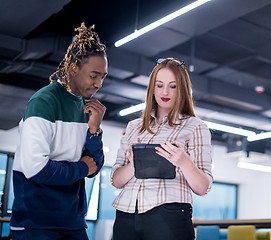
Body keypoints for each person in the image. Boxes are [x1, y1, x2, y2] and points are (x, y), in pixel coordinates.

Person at [10, 23, 107, 240]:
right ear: (74, 68)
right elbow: (36, 168)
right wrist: (81, 167)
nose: (99, 83)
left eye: (103, 76)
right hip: (36, 224)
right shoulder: (44, 101)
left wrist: (94, 130)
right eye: (94, 75)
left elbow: (95, 166)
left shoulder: (88, 107)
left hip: (72, 223)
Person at [111, 58, 213, 240]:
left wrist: (183, 162)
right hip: (126, 214)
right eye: (159, 85)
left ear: (182, 89)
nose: (165, 92)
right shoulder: (134, 126)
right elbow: (116, 181)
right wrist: (135, 165)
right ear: (152, 88)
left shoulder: (195, 127)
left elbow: (203, 188)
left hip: (168, 214)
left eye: (173, 86)